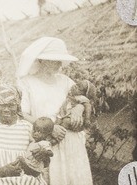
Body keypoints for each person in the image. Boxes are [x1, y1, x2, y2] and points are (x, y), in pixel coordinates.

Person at [17, 37, 93, 185]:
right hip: (47, 141)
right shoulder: (26, 83)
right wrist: (50, 128)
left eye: (60, 60)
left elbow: (81, 99)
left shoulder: (65, 81)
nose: (59, 64)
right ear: (42, 60)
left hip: (71, 140)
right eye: (55, 60)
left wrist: (79, 108)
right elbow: (22, 114)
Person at [0, 85, 47, 185]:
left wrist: (43, 155)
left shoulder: (29, 129)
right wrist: (1, 172)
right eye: (1, 105)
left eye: (11, 105)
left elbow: (43, 163)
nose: (6, 109)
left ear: (18, 106)